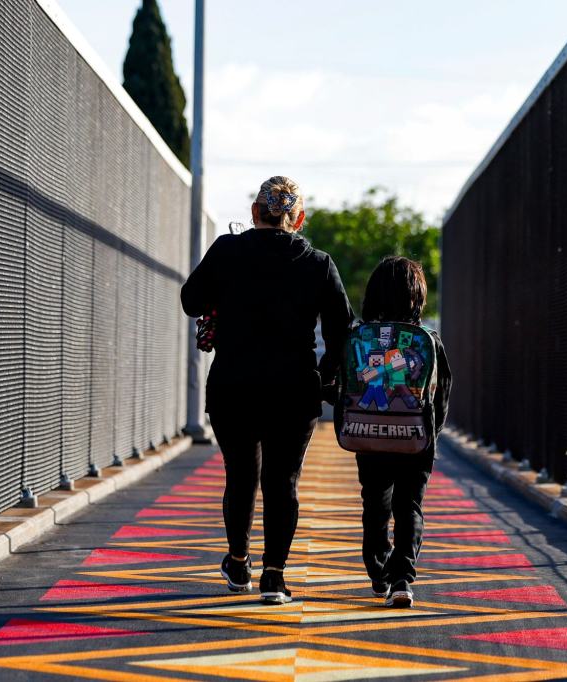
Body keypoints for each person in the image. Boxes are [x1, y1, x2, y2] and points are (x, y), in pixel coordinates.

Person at [180, 176, 353, 604]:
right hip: (294, 391)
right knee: (283, 481)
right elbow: (341, 330)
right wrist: (327, 376)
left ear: (255, 212)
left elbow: (190, 301)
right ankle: (274, 577)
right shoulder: (318, 263)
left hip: (232, 385)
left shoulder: (226, 249)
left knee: (240, 476)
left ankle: (238, 562)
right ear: (300, 219)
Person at [354, 256, 451, 607]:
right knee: (409, 504)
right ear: (418, 298)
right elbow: (443, 392)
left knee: (375, 501)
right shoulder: (427, 339)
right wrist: (432, 432)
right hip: (415, 437)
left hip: (369, 433)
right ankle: (401, 579)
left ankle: (378, 568)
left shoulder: (363, 339)